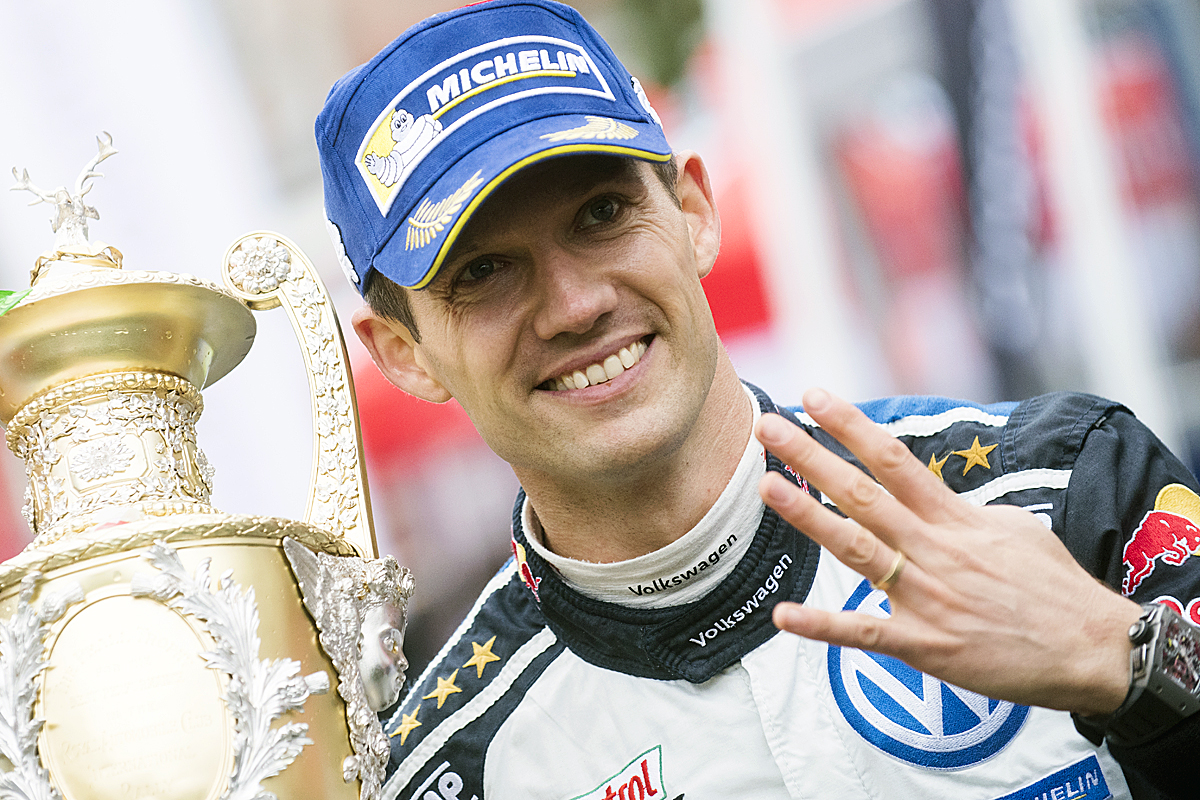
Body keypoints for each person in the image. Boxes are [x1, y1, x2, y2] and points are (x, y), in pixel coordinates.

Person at [315, 1, 1200, 797]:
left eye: (600, 215)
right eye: (483, 271)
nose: (577, 304)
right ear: (404, 355)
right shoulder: (447, 769)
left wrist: (1136, 668)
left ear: (694, 211)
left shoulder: (1061, 483)